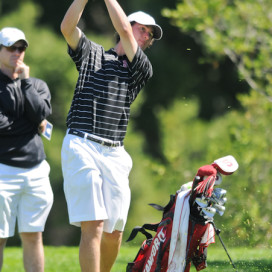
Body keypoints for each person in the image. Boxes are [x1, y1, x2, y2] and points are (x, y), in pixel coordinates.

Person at [60, 0, 163, 271]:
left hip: (115, 153)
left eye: (149, 35)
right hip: (81, 144)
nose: (146, 36)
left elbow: (126, 35)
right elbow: (67, 27)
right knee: (92, 225)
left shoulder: (141, 68)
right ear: (125, 25)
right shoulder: (91, 54)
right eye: (143, 29)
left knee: (113, 232)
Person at [0, 27, 53, 272]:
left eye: (21, 48)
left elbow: (42, 114)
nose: (17, 53)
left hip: (36, 171)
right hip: (3, 171)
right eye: (12, 47)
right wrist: (32, 123)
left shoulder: (36, 85)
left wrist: (25, 83)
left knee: (33, 235)